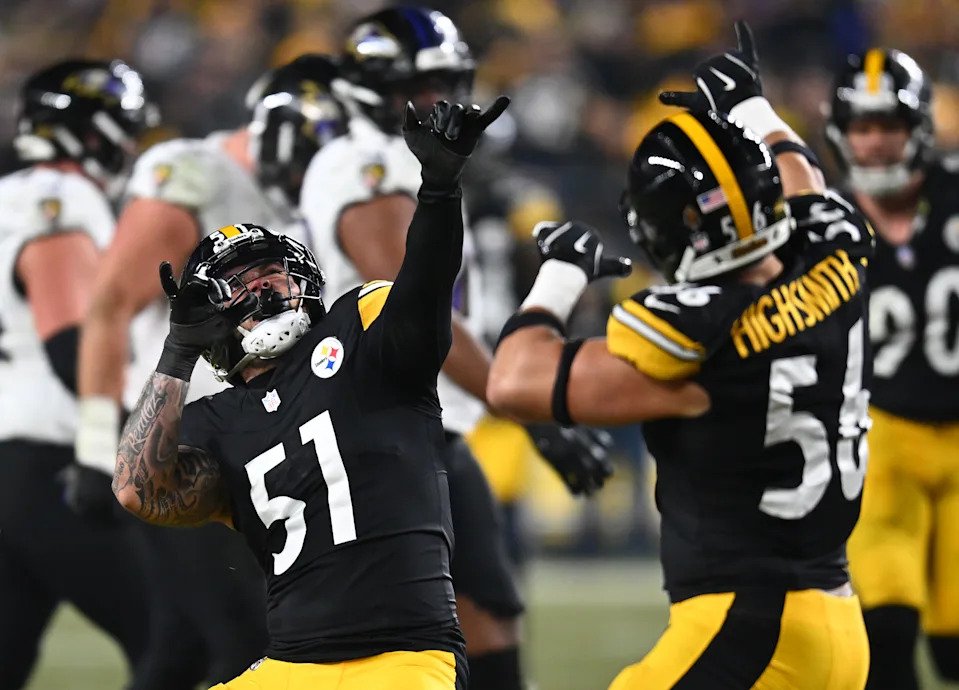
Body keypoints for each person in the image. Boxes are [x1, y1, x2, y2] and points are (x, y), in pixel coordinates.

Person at [488, 22, 873, 689]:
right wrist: (754, 109)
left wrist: (559, 272)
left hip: (751, 626)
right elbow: (802, 177)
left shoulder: (700, 335)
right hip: (835, 621)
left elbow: (514, 381)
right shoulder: (834, 253)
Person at [113, 94, 510, 690]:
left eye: (275, 271)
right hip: (290, 665)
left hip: (403, 659)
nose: (268, 284)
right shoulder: (216, 418)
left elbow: (425, 288)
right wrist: (177, 352)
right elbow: (137, 490)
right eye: (243, 282)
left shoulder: (362, 337)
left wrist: (439, 187)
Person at [301, 11, 611, 687]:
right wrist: (528, 410)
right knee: (430, 638)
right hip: (386, 432)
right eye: (423, 85)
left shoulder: (406, 162)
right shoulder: (364, 162)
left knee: (489, 621)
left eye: (448, 81)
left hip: (424, 426)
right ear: (372, 89)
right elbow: (413, 308)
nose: (442, 100)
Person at [70, 55, 347, 685]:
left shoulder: (300, 194)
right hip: (195, 432)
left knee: (182, 650)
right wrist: (93, 447)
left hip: (259, 428)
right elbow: (109, 306)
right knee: (246, 635)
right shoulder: (195, 173)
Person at [0, 58, 160, 689]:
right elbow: (72, 345)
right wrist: (137, 436)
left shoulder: (8, 196)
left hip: (13, 457)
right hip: (56, 462)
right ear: (90, 133)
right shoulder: (59, 199)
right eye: (120, 130)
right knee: (181, 639)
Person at [825, 48, 959, 689]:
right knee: (887, 638)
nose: (875, 143)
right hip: (881, 443)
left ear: (919, 129)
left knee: (956, 649)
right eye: (862, 126)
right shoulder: (820, 222)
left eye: (889, 126)